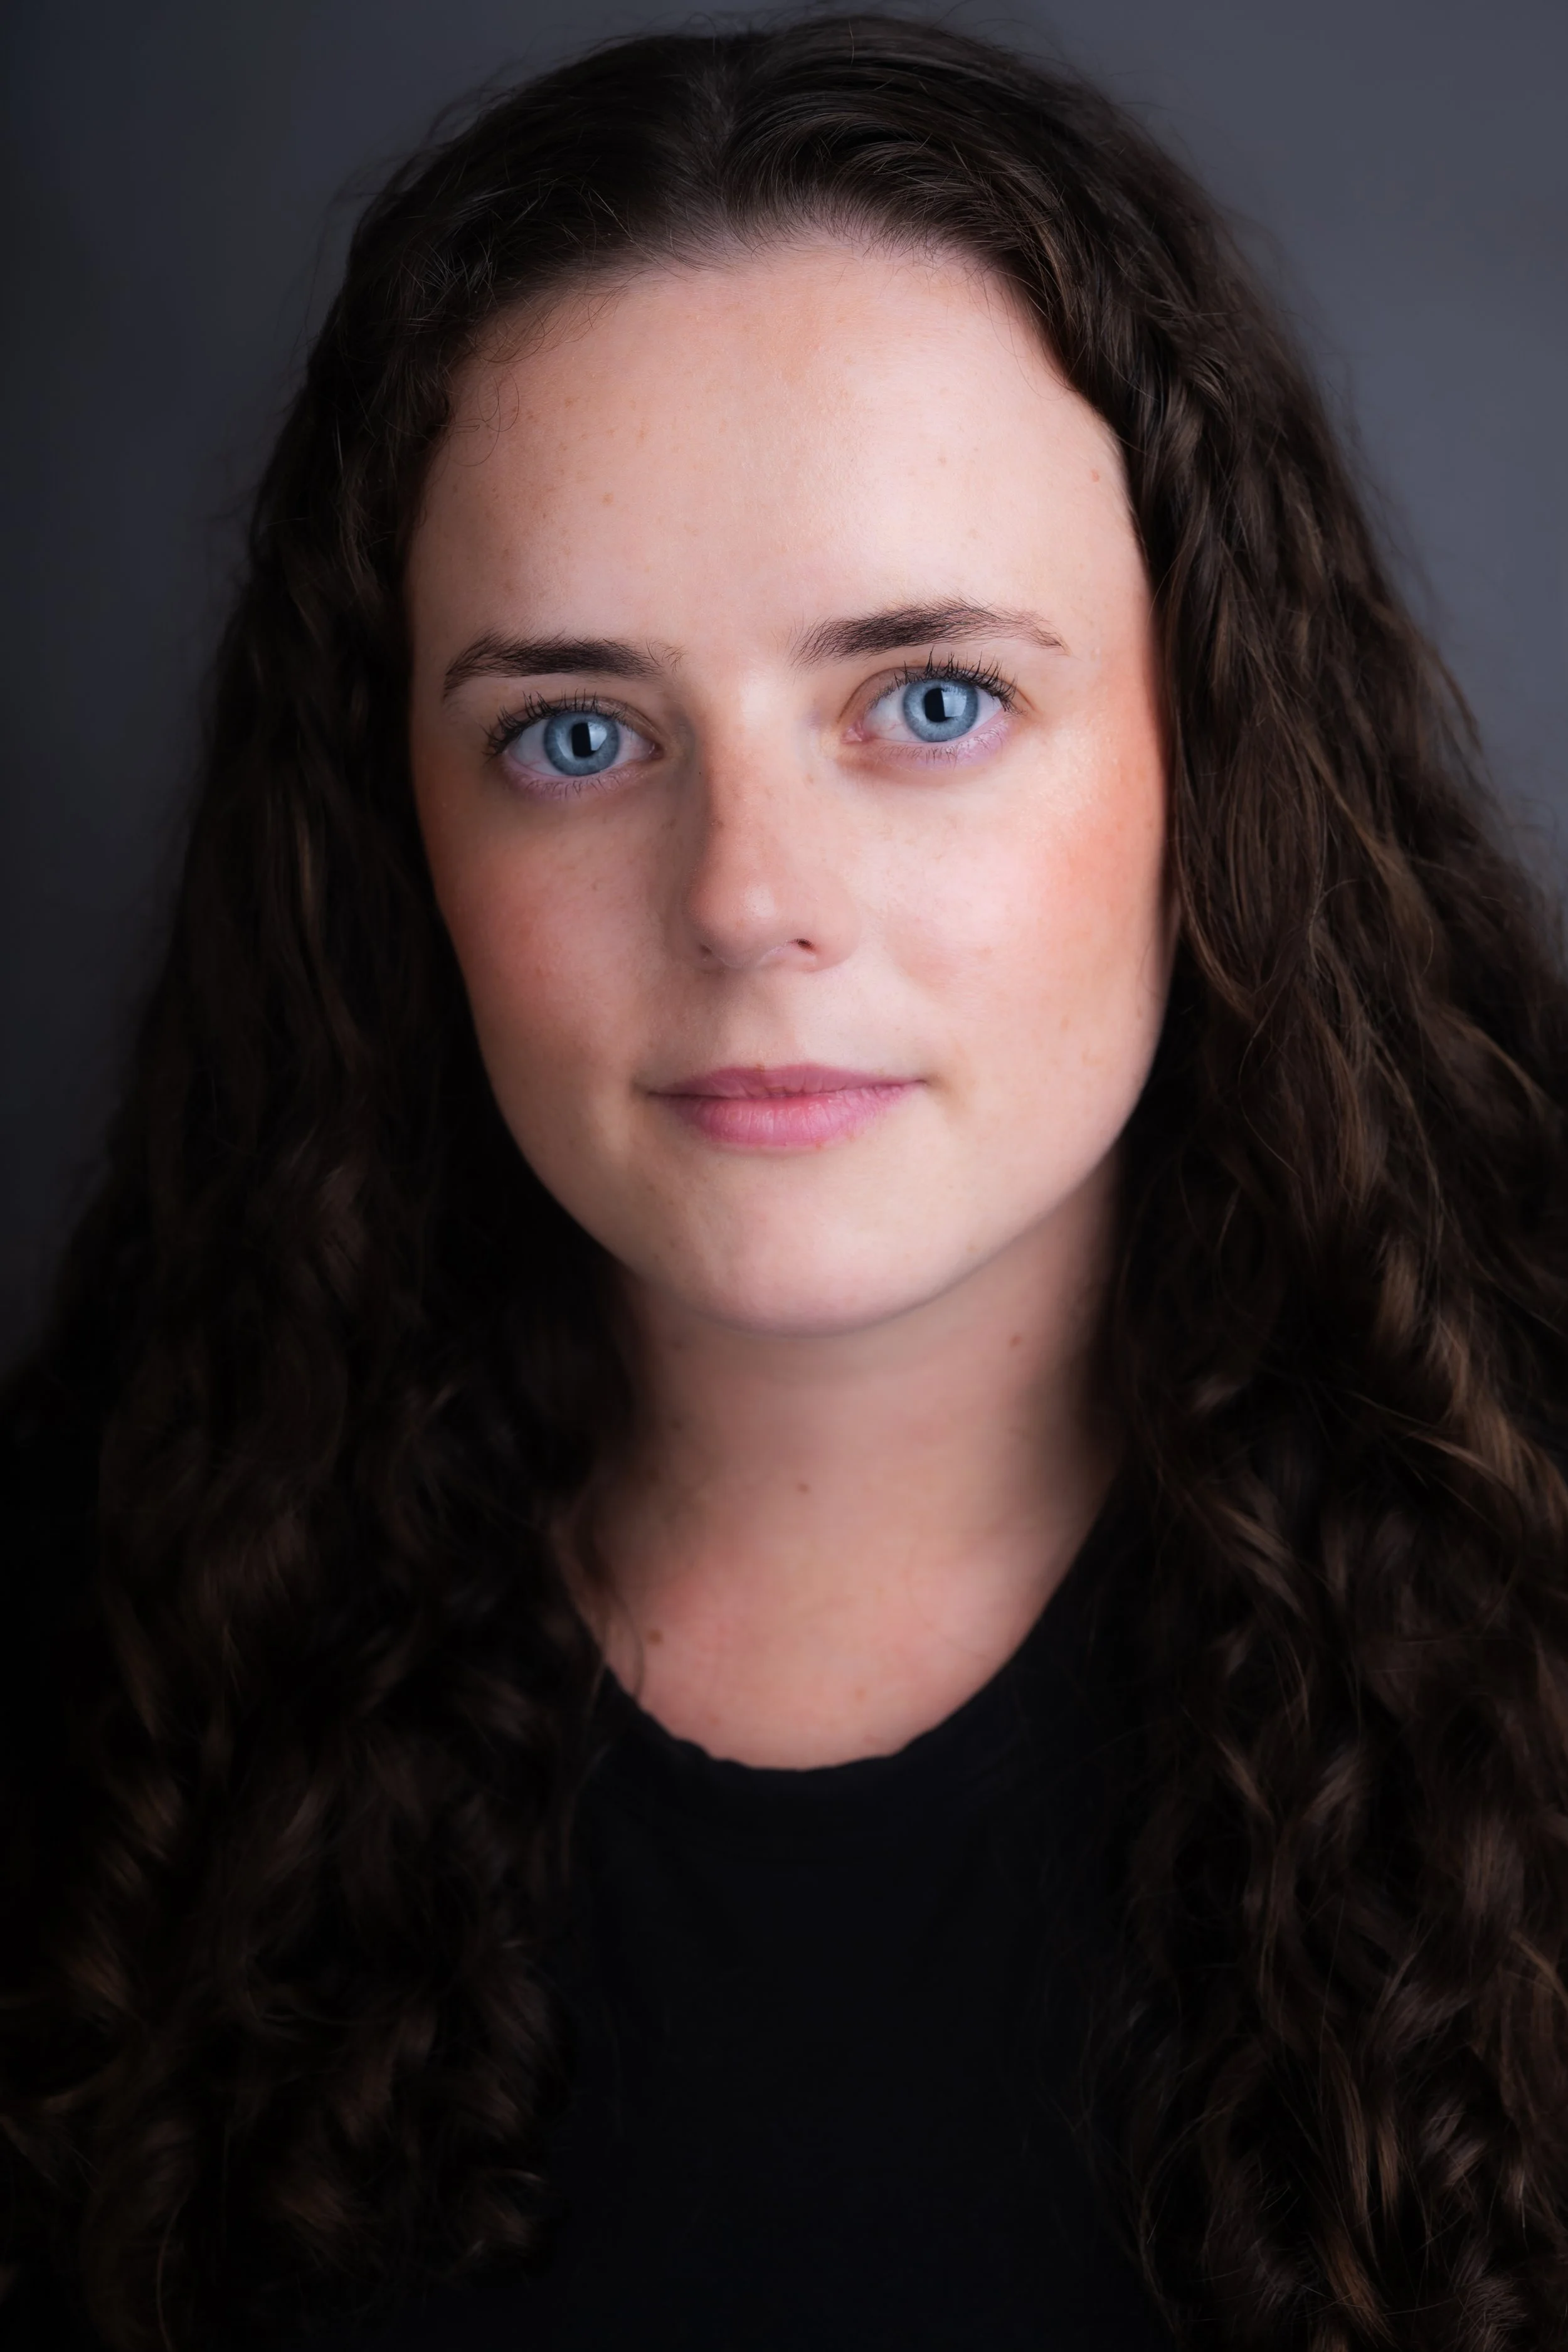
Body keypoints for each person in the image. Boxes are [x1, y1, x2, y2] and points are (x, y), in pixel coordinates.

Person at [3, 14, 1567, 2349]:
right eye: (577, 733)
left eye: (927, 698)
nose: (747, 899)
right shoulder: (80, 1683)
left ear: (1211, 753)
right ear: (393, 841)